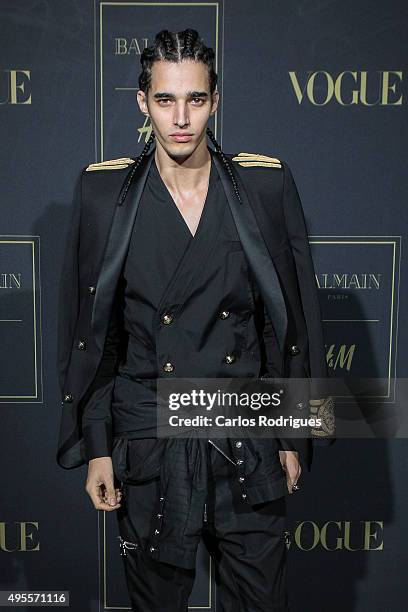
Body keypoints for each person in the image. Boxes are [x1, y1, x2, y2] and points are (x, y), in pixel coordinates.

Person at [56, 28, 334, 612]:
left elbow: (290, 324)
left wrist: (297, 434)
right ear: (142, 102)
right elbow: (95, 335)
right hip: (149, 442)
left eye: (196, 99)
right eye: (165, 100)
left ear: (215, 99)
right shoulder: (102, 193)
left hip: (247, 436)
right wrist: (98, 447)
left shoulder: (265, 185)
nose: (181, 118)